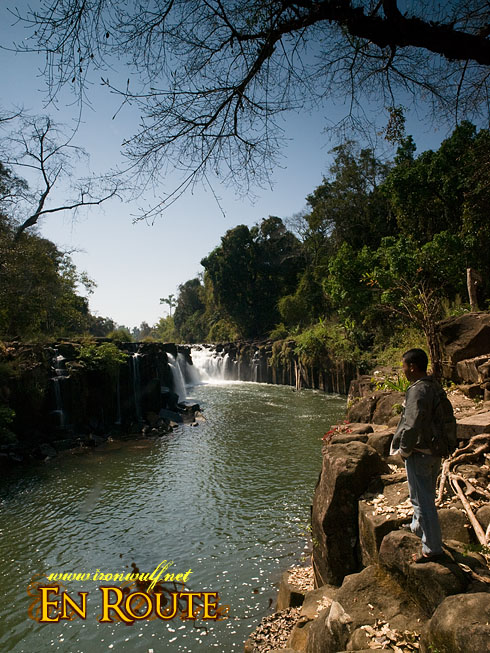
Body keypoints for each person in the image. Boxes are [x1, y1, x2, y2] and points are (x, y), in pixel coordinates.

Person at [390, 348, 445, 563]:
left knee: (421, 501)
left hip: (420, 453)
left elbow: (410, 425)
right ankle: (416, 527)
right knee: (426, 495)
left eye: (403, 366)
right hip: (434, 450)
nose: (402, 371)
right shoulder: (434, 386)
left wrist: (404, 450)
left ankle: (432, 548)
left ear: (412, 367)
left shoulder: (417, 390)